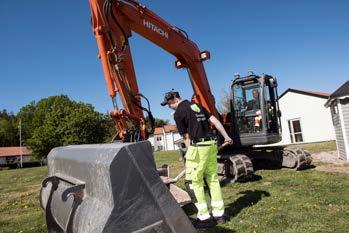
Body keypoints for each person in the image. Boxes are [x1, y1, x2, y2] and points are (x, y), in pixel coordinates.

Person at [160, 90, 233, 228]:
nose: (169, 107)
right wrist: (226, 136)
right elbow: (215, 120)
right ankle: (219, 215)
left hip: (198, 147)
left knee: (194, 183)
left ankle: (204, 218)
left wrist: (189, 155)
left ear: (173, 99)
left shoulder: (178, 113)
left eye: (168, 104)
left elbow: (187, 138)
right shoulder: (197, 106)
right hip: (211, 144)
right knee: (212, 179)